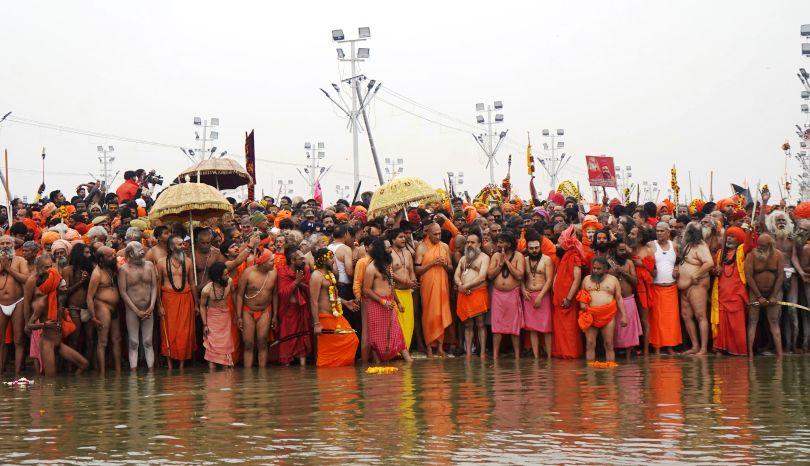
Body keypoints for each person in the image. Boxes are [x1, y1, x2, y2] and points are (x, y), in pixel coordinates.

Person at [24, 254, 88, 376]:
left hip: (58, 340)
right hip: (47, 341)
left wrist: (81, 281)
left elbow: (66, 291)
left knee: (84, 364)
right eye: (46, 267)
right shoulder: (41, 301)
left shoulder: (57, 294)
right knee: (50, 379)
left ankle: (72, 391)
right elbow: (29, 322)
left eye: (51, 266)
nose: (50, 270)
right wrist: (43, 324)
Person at [362, 238, 412, 363]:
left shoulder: (388, 265)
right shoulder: (371, 268)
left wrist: (398, 302)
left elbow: (391, 286)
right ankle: (379, 368)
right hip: (376, 305)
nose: (390, 250)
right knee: (377, 338)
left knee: (397, 334)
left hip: (390, 304)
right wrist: (382, 302)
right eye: (387, 247)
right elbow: (366, 290)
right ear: (380, 250)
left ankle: (409, 365)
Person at [309, 248, 359, 367]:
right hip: (324, 318)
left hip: (336, 315)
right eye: (331, 258)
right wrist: (316, 324)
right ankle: (327, 375)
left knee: (352, 340)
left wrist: (345, 302)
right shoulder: (316, 276)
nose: (333, 261)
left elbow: (333, 295)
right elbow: (313, 301)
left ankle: (340, 376)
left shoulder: (329, 275)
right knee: (333, 348)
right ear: (323, 259)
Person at [763, 209, 803, 353]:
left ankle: (793, 345)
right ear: (773, 223)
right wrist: (764, 204)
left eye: (783, 220)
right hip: (776, 276)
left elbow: (793, 258)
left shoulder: (791, 239)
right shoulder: (770, 239)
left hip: (791, 275)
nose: (781, 223)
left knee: (792, 310)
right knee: (777, 312)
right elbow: (762, 224)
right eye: (778, 221)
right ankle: (777, 345)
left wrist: (801, 272)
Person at [156, 235, 198, 370]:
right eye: (180, 244)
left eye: (183, 244)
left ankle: (181, 365)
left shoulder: (189, 261)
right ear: (171, 247)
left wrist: (196, 304)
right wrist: (159, 305)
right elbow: (158, 285)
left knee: (184, 332)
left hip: (186, 299)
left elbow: (192, 283)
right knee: (168, 331)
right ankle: (169, 365)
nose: (183, 246)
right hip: (168, 300)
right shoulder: (161, 262)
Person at [118, 241, 158, 371]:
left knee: (148, 341)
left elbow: (154, 286)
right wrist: (136, 310)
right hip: (132, 310)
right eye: (138, 249)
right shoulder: (124, 269)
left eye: (141, 248)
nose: (142, 251)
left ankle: (151, 371)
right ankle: (133, 372)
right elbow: (123, 292)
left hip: (148, 308)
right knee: (133, 342)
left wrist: (152, 306)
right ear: (130, 253)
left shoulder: (150, 265)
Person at [577, 256, 627, 362]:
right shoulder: (586, 279)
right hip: (590, 315)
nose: (595, 271)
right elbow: (582, 295)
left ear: (605, 269)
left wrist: (624, 316)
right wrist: (582, 304)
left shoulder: (613, 280)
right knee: (590, 344)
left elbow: (619, 298)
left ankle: (610, 374)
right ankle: (591, 374)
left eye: (598, 269)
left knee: (609, 344)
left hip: (608, 316)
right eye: (594, 268)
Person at [675, 222, 714, 355]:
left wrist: (695, 275)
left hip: (697, 285)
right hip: (685, 287)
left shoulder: (701, 246)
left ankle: (703, 348)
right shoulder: (687, 245)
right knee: (686, 315)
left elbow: (709, 263)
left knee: (700, 316)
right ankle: (695, 346)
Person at [415, 222, 453, 357]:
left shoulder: (445, 247)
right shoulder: (421, 248)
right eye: (435, 234)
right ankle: (430, 347)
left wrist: (444, 265)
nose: (438, 236)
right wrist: (432, 263)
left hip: (442, 287)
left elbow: (451, 268)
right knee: (429, 315)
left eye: (439, 234)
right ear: (428, 234)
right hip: (428, 287)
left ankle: (441, 347)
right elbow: (417, 270)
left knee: (441, 314)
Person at [234, 249, 277, 368]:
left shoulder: (274, 272)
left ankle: (262, 377)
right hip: (248, 311)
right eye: (272, 261)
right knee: (248, 344)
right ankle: (248, 377)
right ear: (263, 263)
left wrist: (274, 315)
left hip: (265, 311)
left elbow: (274, 294)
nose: (274, 263)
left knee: (262, 342)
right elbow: (239, 295)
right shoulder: (248, 273)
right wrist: (238, 316)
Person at [487, 229, 525, 359]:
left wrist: (507, 263)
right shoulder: (496, 256)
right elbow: (490, 275)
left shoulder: (518, 256)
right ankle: (496, 356)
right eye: (498, 242)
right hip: (498, 295)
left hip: (512, 294)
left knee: (514, 326)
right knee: (497, 326)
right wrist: (500, 264)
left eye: (501, 242)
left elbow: (520, 275)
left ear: (509, 244)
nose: (498, 245)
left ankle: (517, 357)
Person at [744, 233, 784, 357]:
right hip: (755, 292)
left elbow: (780, 276)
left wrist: (773, 296)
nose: (759, 248)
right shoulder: (751, 256)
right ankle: (750, 354)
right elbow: (749, 277)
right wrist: (759, 296)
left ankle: (780, 354)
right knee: (753, 321)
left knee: (774, 321)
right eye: (758, 245)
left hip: (774, 292)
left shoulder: (778, 255)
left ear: (770, 245)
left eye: (763, 246)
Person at [712, 226, 750, 356]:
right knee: (722, 324)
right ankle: (720, 349)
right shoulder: (720, 253)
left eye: (732, 236)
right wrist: (714, 271)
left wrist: (749, 230)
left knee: (737, 325)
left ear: (739, 239)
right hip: (721, 294)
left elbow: (749, 244)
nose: (729, 238)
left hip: (736, 294)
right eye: (728, 236)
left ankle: (739, 351)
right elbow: (713, 270)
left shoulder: (740, 251)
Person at [454, 230, 490, 358]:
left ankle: (482, 353)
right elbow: (456, 275)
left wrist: (465, 287)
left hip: (478, 293)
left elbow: (482, 277)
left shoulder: (484, 258)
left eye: (473, 242)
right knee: (468, 324)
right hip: (464, 294)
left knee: (480, 323)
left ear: (479, 244)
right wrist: (460, 286)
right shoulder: (463, 258)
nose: (469, 244)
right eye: (468, 242)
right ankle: (468, 353)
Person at [87, 246, 122, 374]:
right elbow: (90, 297)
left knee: (117, 339)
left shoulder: (112, 269)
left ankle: (118, 372)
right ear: (101, 259)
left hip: (115, 308)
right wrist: (93, 317)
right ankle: (102, 375)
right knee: (103, 341)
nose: (113, 257)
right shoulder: (96, 274)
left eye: (113, 255)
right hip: (103, 307)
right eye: (110, 256)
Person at [276, 245, 312, 366]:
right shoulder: (282, 271)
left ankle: (303, 371)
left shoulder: (305, 269)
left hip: (302, 309)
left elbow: (310, 288)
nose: (304, 261)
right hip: (288, 311)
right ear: (292, 260)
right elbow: (282, 293)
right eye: (300, 259)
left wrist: (300, 283)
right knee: (288, 341)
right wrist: (296, 282)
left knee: (303, 339)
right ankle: (286, 376)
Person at [648, 222, 682, 354]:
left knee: (671, 319)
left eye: (662, 231)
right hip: (656, 287)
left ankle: (670, 346)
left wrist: (677, 268)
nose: (659, 233)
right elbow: (646, 260)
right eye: (657, 231)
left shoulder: (674, 245)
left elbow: (679, 260)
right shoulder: (651, 245)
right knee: (657, 318)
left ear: (668, 232)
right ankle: (657, 347)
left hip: (671, 288)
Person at [552, 225, 584, 359]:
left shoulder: (574, 255)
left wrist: (569, 298)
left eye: (561, 237)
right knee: (560, 328)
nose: (559, 240)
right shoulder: (565, 254)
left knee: (569, 328)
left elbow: (576, 279)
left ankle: (570, 354)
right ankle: (561, 353)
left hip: (567, 299)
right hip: (559, 298)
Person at [521, 228, 554, 359]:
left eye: (536, 248)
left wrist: (540, 297)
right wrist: (523, 290)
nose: (534, 250)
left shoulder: (546, 260)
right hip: (528, 296)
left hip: (543, 295)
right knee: (532, 329)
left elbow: (549, 280)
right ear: (527, 248)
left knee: (546, 328)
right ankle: (535, 357)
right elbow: (521, 278)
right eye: (531, 248)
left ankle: (549, 357)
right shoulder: (524, 260)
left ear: (540, 246)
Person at [0, 235, 29, 376]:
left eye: (8, 243)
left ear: (13, 246)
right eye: (2, 243)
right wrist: (2, 267)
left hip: (18, 301)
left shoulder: (20, 260)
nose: (5, 245)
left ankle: (17, 374)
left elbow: (26, 278)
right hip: (0, 304)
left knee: (18, 339)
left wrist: (9, 268)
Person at [62, 243, 95, 365]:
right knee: (74, 340)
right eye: (86, 253)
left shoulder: (92, 268)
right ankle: (73, 368)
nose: (89, 255)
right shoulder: (68, 270)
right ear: (79, 254)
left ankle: (87, 367)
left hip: (88, 308)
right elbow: (65, 291)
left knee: (90, 339)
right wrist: (81, 282)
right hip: (74, 308)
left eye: (89, 252)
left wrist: (89, 278)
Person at [609, 238, 643, 355]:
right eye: (620, 250)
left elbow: (635, 281)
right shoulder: (609, 263)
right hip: (613, 301)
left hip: (628, 300)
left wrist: (624, 272)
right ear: (615, 250)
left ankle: (629, 356)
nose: (623, 253)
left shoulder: (629, 263)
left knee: (629, 329)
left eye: (624, 250)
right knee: (615, 330)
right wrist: (614, 272)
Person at [199, 262, 235, 369]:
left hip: (225, 317)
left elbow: (234, 295)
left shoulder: (230, 282)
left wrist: (238, 315)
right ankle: (212, 381)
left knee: (225, 348)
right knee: (211, 349)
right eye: (225, 275)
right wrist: (205, 324)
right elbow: (202, 306)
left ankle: (227, 380)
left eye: (227, 273)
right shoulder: (207, 290)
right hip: (212, 319)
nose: (228, 276)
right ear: (218, 278)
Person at [389, 228, 417, 350]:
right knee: (398, 324)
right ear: (393, 240)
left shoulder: (407, 253)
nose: (403, 239)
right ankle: (397, 351)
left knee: (409, 323)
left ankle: (405, 348)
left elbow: (411, 271)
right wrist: (404, 281)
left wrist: (413, 282)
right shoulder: (388, 254)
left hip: (408, 293)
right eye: (400, 237)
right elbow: (388, 272)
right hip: (396, 293)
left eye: (404, 237)